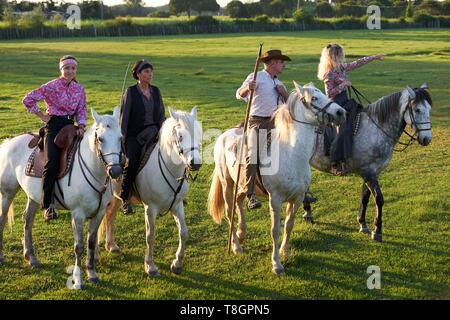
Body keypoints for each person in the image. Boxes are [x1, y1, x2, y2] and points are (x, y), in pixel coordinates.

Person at [23, 55, 87, 221]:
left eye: (73, 68)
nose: (70, 71)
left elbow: (82, 109)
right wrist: (42, 116)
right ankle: (48, 205)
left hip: (71, 127)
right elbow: (28, 99)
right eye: (66, 68)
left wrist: (81, 126)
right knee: (51, 163)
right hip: (54, 125)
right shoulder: (51, 86)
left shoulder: (79, 89)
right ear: (61, 69)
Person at [317, 44, 385, 176]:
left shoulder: (341, 68)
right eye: (339, 55)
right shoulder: (328, 74)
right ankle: (337, 160)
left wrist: (373, 57)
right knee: (344, 129)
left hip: (345, 103)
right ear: (332, 57)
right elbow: (329, 94)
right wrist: (343, 84)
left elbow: (357, 63)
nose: (341, 57)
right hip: (335, 105)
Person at [236, 49, 291, 210]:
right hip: (257, 122)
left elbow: (288, 106)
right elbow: (239, 94)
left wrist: (285, 94)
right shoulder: (256, 77)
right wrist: (248, 88)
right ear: (272, 63)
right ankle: (250, 194)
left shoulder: (279, 83)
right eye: (281, 62)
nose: (283, 65)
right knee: (253, 154)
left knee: (292, 150)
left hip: (277, 123)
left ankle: (302, 188)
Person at [119, 59, 166, 215]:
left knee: (170, 157)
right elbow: (124, 117)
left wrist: (163, 131)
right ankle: (125, 198)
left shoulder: (156, 91)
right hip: (135, 135)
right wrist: (123, 137)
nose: (150, 74)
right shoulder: (131, 92)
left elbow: (160, 114)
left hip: (154, 132)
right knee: (132, 163)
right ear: (138, 74)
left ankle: (172, 193)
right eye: (146, 71)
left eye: (151, 71)